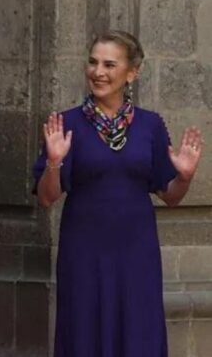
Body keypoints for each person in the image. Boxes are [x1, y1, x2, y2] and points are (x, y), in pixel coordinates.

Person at [33, 30, 204, 356]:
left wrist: (184, 176)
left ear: (132, 73)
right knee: (84, 330)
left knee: (138, 332)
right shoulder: (65, 123)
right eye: (93, 62)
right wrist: (54, 163)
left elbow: (170, 196)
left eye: (110, 65)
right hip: (84, 251)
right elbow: (45, 197)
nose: (98, 72)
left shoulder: (150, 125)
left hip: (136, 251)